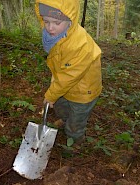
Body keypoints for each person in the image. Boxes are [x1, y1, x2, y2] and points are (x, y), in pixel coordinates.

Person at [35, 0, 102, 146]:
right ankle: (65, 120)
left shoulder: (80, 45)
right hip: (64, 84)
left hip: (84, 90)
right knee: (60, 105)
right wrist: (54, 92)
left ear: (69, 19)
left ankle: (74, 140)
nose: (50, 27)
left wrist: (51, 95)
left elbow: (69, 76)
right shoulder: (56, 36)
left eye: (56, 22)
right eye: (46, 21)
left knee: (76, 119)